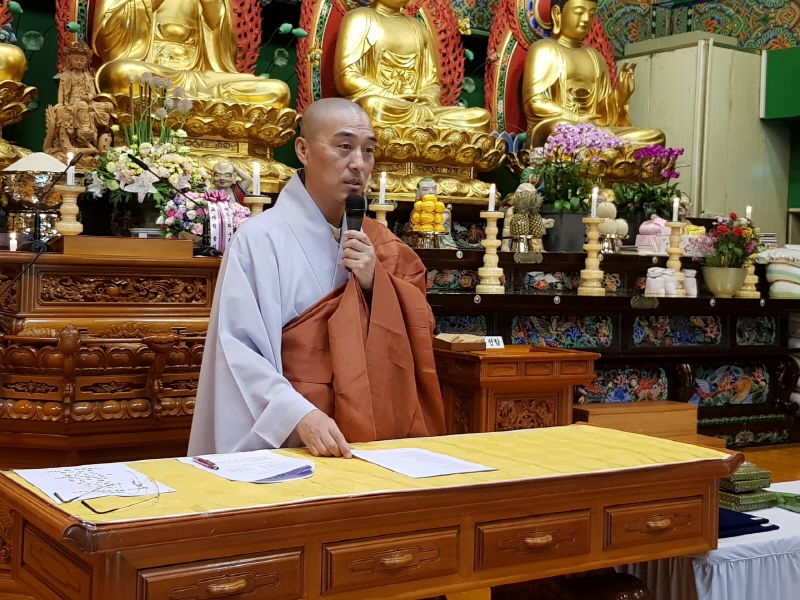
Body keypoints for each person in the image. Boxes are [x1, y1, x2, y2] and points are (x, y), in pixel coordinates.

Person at [188, 98, 445, 457]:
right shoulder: (260, 239)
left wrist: (374, 284)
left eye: (368, 150)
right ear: (303, 150)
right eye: (345, 146)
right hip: (290, 432)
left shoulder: (380, 243)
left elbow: (418, 326)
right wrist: (299, 415)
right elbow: (239, 350)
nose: (358, 163)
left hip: (366, 425)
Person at [522, 0, 665, 147]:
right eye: (579, 12)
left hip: (596, 130)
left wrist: (621, 96)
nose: (585, 19)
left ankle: (601, 145)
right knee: (561, 128)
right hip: (560, 129)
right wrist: (575, 118)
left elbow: (602, 112)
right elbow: (534, 103)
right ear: (556, 13)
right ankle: (604, 146)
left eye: (591, 15)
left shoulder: (596, 58)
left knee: (656, 136)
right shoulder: (543, 50)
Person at [333, 0, 490, 132]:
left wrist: (426, 98)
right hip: (383, 106)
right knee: (373, 106)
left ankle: (423, 130)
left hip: (418, 109)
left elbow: (431, 83)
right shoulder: (359, 18)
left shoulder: (419, 28)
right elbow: (345, 76)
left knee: (480, 117)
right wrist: (389, 96)